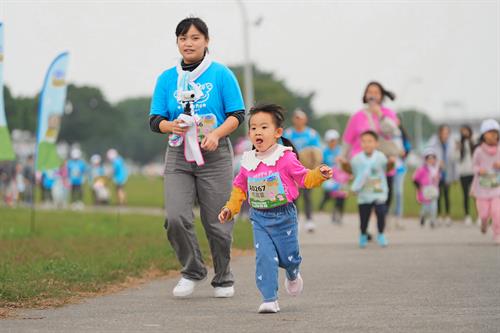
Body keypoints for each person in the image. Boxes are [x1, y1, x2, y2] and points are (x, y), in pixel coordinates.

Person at [149, 17, 245, 298]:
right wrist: (171, 126)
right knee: (176, 217)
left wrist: (216, 134)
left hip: (214, 155)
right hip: (179, 154)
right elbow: (155, 119)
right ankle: (192, 270)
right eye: (182, 38)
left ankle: (224, 276)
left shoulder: (221, 74)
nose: (188, 43)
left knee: (218, 221)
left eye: (194, 38)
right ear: (177, 42)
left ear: (206, 41)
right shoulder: (167, 78)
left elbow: (237, 115)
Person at [218, 104, 332, 313]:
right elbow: (239, 188)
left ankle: (292, 272)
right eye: (253, 128)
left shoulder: (286, 157)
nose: (257, 132)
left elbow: (304, 178)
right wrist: (230, 209)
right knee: (265, 257)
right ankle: (269, 298)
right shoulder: (248, 161)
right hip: (259, 217)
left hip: (284, 216)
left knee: (289, 257)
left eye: (264, 127)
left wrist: (320, 173)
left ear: (278, 132)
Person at [339, 81, 401, 215]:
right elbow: (347, 140)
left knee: (383, 195)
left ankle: (379, 222)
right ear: (365, 95)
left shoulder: (388, 113)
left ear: (381, 95)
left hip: (383, 162)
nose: (372, 95)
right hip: (363, 162)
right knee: (367, 195)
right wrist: (342, 157)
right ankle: (370, 226)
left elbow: (393, 132)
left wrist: (379, 115)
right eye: (370, 92)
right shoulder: (357, 116)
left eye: (376, 92)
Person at [345, 130, 395, 248]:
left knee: (381, 211)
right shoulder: (356, 159)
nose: (367, 144)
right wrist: (344, 165)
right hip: (364, 193)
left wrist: (391, 163)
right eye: (364, 141)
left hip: (379, 191)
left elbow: (387, 168)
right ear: (360, 144)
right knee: (364, 217)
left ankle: (381, 234)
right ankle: (363, 233)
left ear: (376, 143)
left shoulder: (381, 157)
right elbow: (350, 171)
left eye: (370, 141)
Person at [283, 109, 322, 232]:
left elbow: (317, 151)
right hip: (292, 169)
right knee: (293, 195)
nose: (298, 120)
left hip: (306, 169)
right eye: (296, 118)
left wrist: (315, 166)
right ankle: (296, 219)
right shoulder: (288, 133)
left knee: (307, 195)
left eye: (300, 118)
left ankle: (309, 219)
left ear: (305, 120)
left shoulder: (311, 134)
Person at [470, 119, 500, 244]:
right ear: (483, 135)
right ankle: (483, 222)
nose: (493, 135)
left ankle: (497, 234)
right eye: (489, 132)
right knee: (484, 214)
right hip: (482, 188)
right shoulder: (479, 151)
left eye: (495, 132)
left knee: (496, 212)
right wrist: (479, 170)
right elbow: (474, 166)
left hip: (496, 187)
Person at [428, 125, 458, 226]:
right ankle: (439, 215)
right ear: (440, 133)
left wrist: (455, 176)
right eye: (443, 133)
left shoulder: (451, 143)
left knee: (447, 194)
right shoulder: (434, 143)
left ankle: (448, 216)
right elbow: (429, 155)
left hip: (448, 172)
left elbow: (454, 160)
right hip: (437, 173)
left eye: (447, 133)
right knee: (438, 195)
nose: (445, 135)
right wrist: (437, 162)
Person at [319, 129, 349, 224]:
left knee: (341, 196)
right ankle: (324, 202)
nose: (333, 142)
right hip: (329, 177)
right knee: (330, 191)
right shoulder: (324, 151)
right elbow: (321, 165)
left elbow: (345, 163)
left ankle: (338, 213)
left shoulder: (340, 150)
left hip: (340, 176)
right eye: (331, 140)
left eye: (334, 140)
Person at [413, 148, 440, 228]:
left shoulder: (436, 169)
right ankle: (422, 216)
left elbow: (438, 178)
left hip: (434, 189)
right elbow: (415, 178)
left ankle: (433, 220)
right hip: (425, 190)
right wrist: (419, 187)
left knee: (434, 205)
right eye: (429, 158)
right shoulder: (422, 169)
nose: (431, 160)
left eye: (433, 158)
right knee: (426, 206)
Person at [454, 125, 475, 225]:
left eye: (466, 131)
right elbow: (456, 158)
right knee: (465, 195)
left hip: (473, 172)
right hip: (463, 173)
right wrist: (457, 149)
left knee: (476, 195)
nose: (464, 133)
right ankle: (467, 215)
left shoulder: (473, 142)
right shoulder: (459, 143)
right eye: (462, 131)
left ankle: (479, 215)